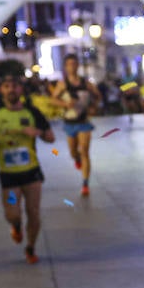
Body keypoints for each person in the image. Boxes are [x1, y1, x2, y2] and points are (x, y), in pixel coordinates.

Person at [0, 74, 54, 264]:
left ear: (21, 90)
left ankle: (30, 247)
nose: (11, 89)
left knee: (34, 211)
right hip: (9, 177)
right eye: (7, 86)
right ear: (1, 90)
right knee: (12, 212)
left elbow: (50, 137)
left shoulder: (32, 112)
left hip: (31, 173)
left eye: (15, 86)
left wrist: (37, 132)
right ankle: (16, 225)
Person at [51, 54, 101, 197]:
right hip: (69, 122)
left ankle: (85, 183)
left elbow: (98, 96)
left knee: (84, 150)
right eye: (69, 64)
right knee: (74, 152)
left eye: (74, 63)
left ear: (78, 65)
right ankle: (77, 159)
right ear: (66, 67)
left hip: (84, 122)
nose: (72, 66)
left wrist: (94, 107)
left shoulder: (86, 83)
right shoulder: (62, 84)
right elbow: (53, 100)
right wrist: (65, 104)